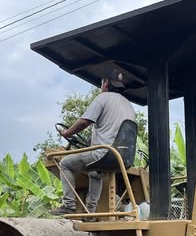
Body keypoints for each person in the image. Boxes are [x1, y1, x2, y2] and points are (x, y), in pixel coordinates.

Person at [51, 68, 136, 215]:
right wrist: (92, 140)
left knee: (65, 164)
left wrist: (67, 133)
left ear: (105, 83)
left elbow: (84, 122)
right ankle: (91, 212)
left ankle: (69, 205)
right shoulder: (128, 105)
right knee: (95, 173)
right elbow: (114, 130)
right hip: (123, 157)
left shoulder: (103, 98)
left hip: (104, 153)